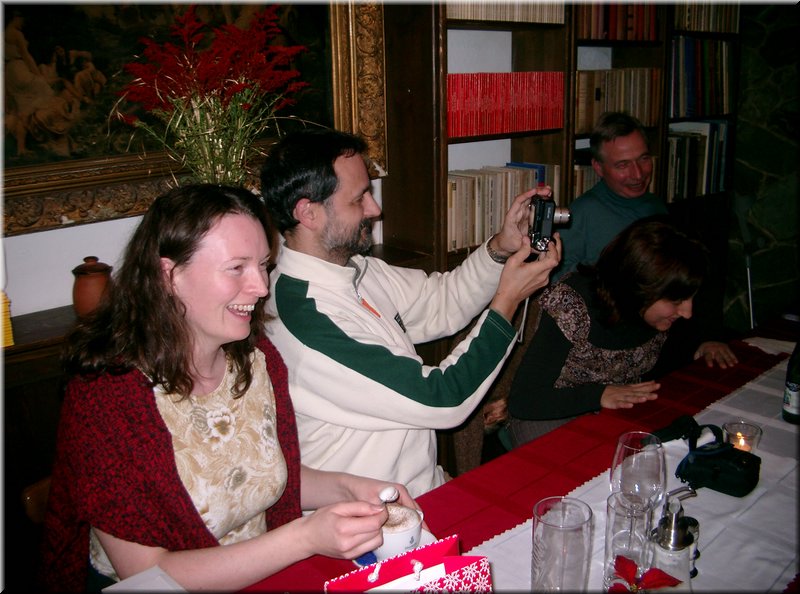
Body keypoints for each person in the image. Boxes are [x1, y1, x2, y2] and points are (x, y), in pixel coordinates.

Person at [40, 185, 417, 592]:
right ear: (169, 275)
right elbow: (146, 574)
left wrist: (351, 487)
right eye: (237, 268)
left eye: (263, 265)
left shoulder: (256, 361)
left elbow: (262, 475)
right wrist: (304, 538)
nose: (261, 287)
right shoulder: (107, 399)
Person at [259, 128, 561, 497]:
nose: (375, 209)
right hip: (372, 515)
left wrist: (500, 247)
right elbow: (443, 398)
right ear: (309, 213)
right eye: (359, 199)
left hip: (424, 491)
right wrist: (507, 301)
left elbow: (443, 301)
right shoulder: (304, 322)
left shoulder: (353, 268)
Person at [506, 218, 713, 448]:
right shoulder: (572, 305)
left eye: (690, 297)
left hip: (616, 406)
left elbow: (673, 354)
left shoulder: (658, 313)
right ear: (638, 289)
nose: (687, 312)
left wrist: (704, 342)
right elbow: (524, 400)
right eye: (676, 301)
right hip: (549, 411)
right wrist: (599, 395)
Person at [554, 111, 737, 371]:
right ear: (598, 167)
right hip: (611, 351)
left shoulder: (655, 206)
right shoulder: (580, 215)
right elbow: (556, 299)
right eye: (622, 165)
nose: (638, 174)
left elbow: (683, 282)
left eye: (643, 159)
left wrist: (707, 336)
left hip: (660, 338)